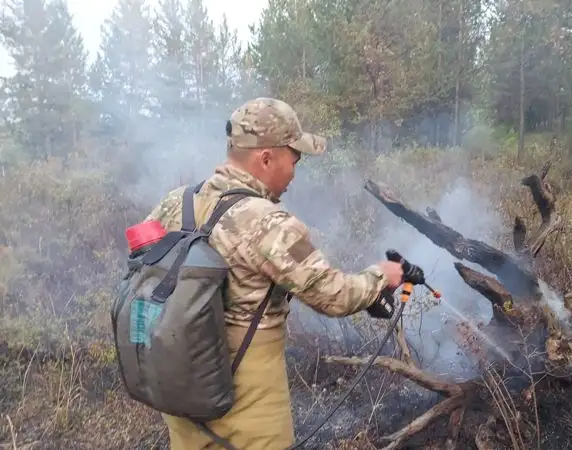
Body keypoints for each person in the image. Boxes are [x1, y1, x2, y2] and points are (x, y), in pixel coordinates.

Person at [144, 97, 404, 449]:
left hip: (179, 391)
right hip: (247, 404)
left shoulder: (176, 202)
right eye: (294, 159)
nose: (295, 171)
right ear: (266, 158)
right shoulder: (267, 222)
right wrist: (381, 276)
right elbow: (333, 294)